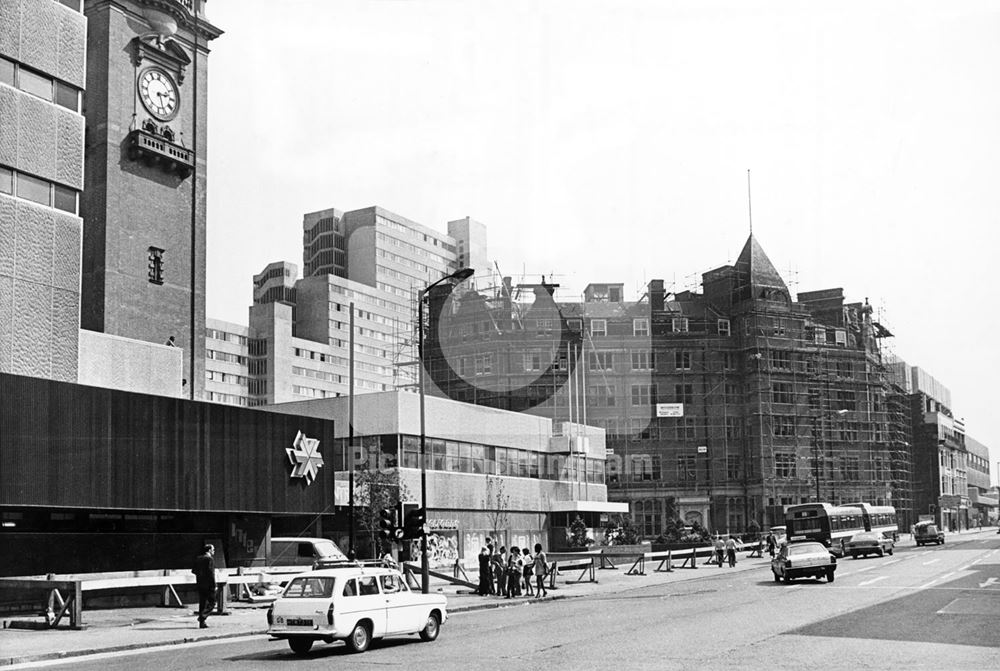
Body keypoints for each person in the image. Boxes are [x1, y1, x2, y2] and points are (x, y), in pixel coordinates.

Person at [191, 544, 216, 628]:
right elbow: (211, 573)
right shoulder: (210, 559)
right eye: (213, 549)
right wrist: (213, 584)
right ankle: (202, 617)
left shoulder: (198, 559)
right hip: (209, 584)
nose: (214, 551)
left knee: (202, 603)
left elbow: (193, 571)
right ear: (209, 550)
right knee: (212, 603)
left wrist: (200, 576)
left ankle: (202, 623)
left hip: (200, 583)